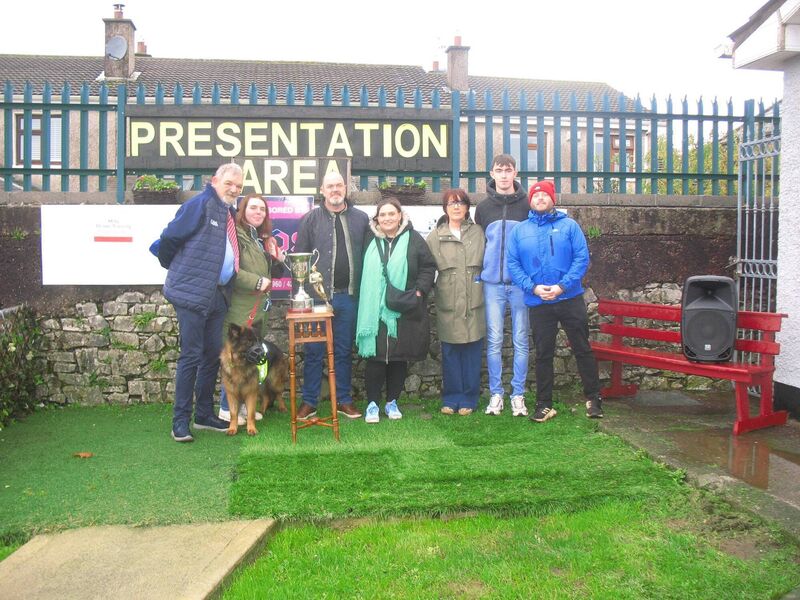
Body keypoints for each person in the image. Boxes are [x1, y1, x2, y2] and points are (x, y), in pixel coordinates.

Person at [150, 162, 244, 442]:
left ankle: (203, 415)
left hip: (217, 295)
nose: (234, 189)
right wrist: (177, 269)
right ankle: (180, 421)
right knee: (191, 356)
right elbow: (169, 238)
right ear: (215, 180)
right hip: (191, 294)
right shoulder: (201, 204)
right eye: (229, 183)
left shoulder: (226, 210)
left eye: (238, 186)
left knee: (211, 355)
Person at [506, 180, 603, 422]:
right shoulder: (519, 231)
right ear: (530, 201)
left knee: (582, 348)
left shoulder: (569, 226)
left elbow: (581, 259)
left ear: (552, 199)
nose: (540, 199)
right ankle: (544, 404)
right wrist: (533, 288)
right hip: (539, 302)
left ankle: (593, 399)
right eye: (535, 196)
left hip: (569, 298)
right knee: (543, 354)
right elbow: (513, 264)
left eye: (544, 195)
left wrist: (562, 286)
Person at [293, 172, 370, 420]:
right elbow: (299, 260)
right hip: (316, 299)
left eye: (339, 185)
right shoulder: (310, 219)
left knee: (344, 350)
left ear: (345, 188)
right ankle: (310, 401)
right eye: (330, 186)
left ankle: (344, 400)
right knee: (314, 351)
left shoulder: (361, 219)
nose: (335, 190)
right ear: (322, 190)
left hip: (348, 297)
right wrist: (299, 296)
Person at [356, 196, 436, 423]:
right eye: (383, 214)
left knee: (399, 357)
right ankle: (372, 403)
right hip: (374, 309)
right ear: (377, 219)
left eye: (392, 213)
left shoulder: (414, 239)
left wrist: (420, 290)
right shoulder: (369, 239)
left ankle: (392, 401)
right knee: (376, 357)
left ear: (400, 215)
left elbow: (428, 267)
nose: (388, 218)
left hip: (403, 307)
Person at [218, 193, 285, 426]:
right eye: (253, 208)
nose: (258, 212)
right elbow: (229, 269)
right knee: (232, 360)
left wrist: (276, 258)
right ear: (242, 210)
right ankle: (226, 408)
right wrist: (257, 282)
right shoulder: (234, 234)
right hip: (240, 309)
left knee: (251, 359)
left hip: (258, 312)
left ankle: (245, 407)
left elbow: (273, 274)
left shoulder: (259, 237)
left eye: (262, 209)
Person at [474, 154, 531, 417]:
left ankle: (517, 394)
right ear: (492, 173)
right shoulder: (483, 208)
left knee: (521, 340)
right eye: (500, 170)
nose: (505, 175)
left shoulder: (527, 205)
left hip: (520, 285)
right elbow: (478, 244)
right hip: (492, 285)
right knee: (494, 341)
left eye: (509, 170)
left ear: (516, 173)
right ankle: (496, 394)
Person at [426, 189, 486, 416]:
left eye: (461, 203)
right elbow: (427, 268)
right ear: (445, 208)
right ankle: (451, 398)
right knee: (450, 352)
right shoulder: (435, 236)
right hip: (448, 302)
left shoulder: (478, 233)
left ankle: (469, 398)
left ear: (467, 207)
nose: (457, 207)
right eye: (452, 203)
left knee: (472, 351)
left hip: (474, 300)